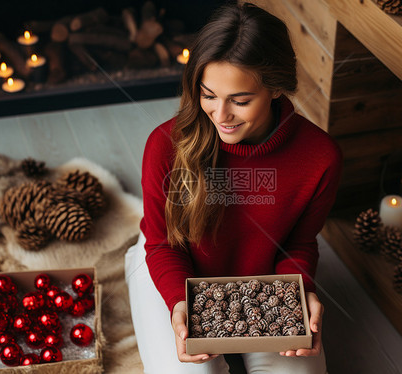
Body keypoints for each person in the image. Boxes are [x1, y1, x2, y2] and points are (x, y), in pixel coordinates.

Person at [125, 3, 342, 373]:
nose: (220, 115)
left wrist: (302, 291)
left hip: (264, 283)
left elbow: (299, 244)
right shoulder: (165, 145)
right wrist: (179, 301)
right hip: (173, 272)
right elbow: (163, 244)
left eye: (239, 101)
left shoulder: (320, 156)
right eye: (208, 95)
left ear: (275, 89)